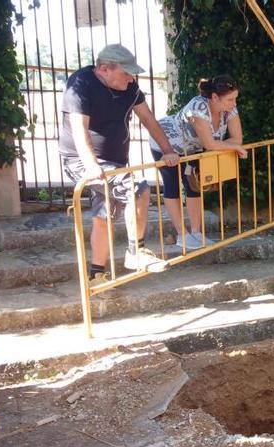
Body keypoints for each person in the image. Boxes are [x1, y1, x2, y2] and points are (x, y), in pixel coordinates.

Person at [60, 44, 180, 280]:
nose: (131, 78)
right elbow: (78, 128)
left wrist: (168, 150)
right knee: (137, 188)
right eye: (126, 73)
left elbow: (147, 118)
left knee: (105, 215)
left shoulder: (129, 87)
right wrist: (92, 165)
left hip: (115, 162)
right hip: (81, 160)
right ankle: (136, 251)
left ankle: (97, 275)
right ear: (104, 69)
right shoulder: (81, 84)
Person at [148, 75, 245, 248]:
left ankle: (196, 233)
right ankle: (182, 235)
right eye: (230, 99)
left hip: (192, 149)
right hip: (165, 143)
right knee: (172, 186)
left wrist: (227, 145)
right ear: (215, 97)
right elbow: (210, 144)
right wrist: (229, 146)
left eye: (235, 98)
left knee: (194, 186)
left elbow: (237, 139)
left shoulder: (230, 109)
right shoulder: (198, 108)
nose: (234, 104)